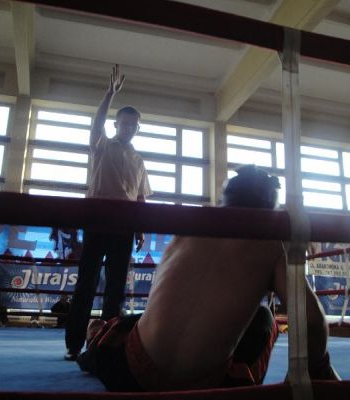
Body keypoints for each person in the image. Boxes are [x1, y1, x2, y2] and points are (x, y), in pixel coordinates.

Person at [76, 164, 340, 391]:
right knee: (264, 319)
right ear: (271, 210)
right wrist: (317, 370)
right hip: (204, 387)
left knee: (126, 326)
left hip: (129, 374)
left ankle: (96, 342)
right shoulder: (273, 247)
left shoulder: (190, 227)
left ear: (224, 199)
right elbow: (312, 322)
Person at [64, 64, 152, 360]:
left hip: (124, 228)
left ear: (138, 128)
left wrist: (140, 228)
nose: (128, 128)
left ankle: (106, 348)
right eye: (124, 123)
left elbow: (140, 196)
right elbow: (96, 124)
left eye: (133, 125)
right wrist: (109, 95)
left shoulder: (139, 160)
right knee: (86, 285)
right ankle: (73, 345)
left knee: (115, 290)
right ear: (117, 124)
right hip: (97, 222)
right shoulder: (102, 146)